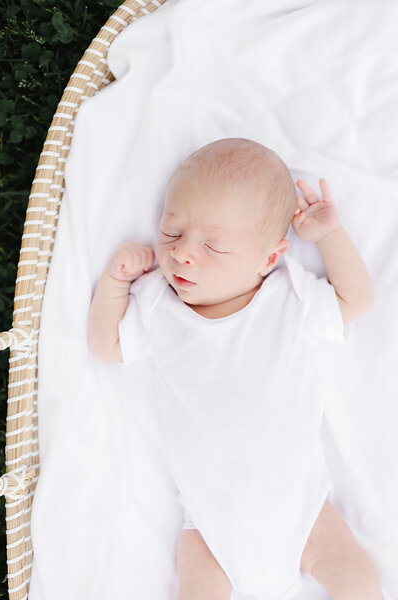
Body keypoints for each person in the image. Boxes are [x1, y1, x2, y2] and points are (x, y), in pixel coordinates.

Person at [87, 138, 382, 600]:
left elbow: (356, 300)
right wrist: (115, 281)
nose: (182, 253)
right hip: (209, 527)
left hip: (303, 513)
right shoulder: (158, 306)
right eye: (171, 233)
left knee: (360, 581)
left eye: (213, 246)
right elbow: (105, 347)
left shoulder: (289, 298)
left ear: (269, 258)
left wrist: (328, 238)